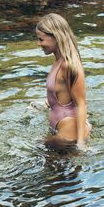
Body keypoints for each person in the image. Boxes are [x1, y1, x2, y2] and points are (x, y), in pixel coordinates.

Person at [35, 13, 90, 151]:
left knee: (40, 154)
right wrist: (48, 102)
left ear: (56, 37)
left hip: (70, 130)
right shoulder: (58, 61)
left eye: (41, 39)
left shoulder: (69, 65)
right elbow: (63, 94)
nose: (38, 44)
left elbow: (81, 104)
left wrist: (80, 143)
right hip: (59, 126)